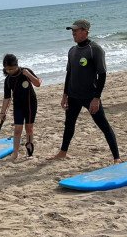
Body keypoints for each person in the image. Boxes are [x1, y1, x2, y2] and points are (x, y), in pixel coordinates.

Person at [48, 20, 120, 162]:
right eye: (72, 30)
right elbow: (69, 74)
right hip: (73, 96)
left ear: (85, 31)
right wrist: (65, 95)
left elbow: (102, 75)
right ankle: (63, 152)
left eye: (76, 30)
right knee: (69, 124)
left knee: (103, 125)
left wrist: (96, 98)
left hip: (90, 96)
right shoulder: (72, 51)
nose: (73, 33)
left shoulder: (95, 49)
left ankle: (116, 157)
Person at [0, 54, 41, 160]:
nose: (9, 71)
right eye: (7, 69)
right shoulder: (8, 80)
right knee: (17, 129)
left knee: (29, 128)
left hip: (30, 103)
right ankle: (15, 153)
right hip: (18, 105)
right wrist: (2, 112)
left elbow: (37, 83)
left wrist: (28, 74)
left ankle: (29, 152)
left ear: (17, 65)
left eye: (12, 68)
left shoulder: (25, 71)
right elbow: (7, 98)